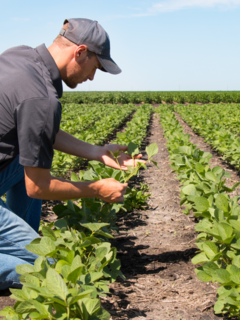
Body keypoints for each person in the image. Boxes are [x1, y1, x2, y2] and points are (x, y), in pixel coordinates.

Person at [0, 18, 143, 290]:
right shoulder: (41, 97)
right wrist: (97, 189)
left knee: (27, 158)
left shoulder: (20, 56)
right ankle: (31, 254)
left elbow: (39, 131)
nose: (91, 77)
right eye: (95, 68)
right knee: (52, 272)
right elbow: (38, 186)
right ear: (79, 52)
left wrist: (97, 152)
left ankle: (27, 242)